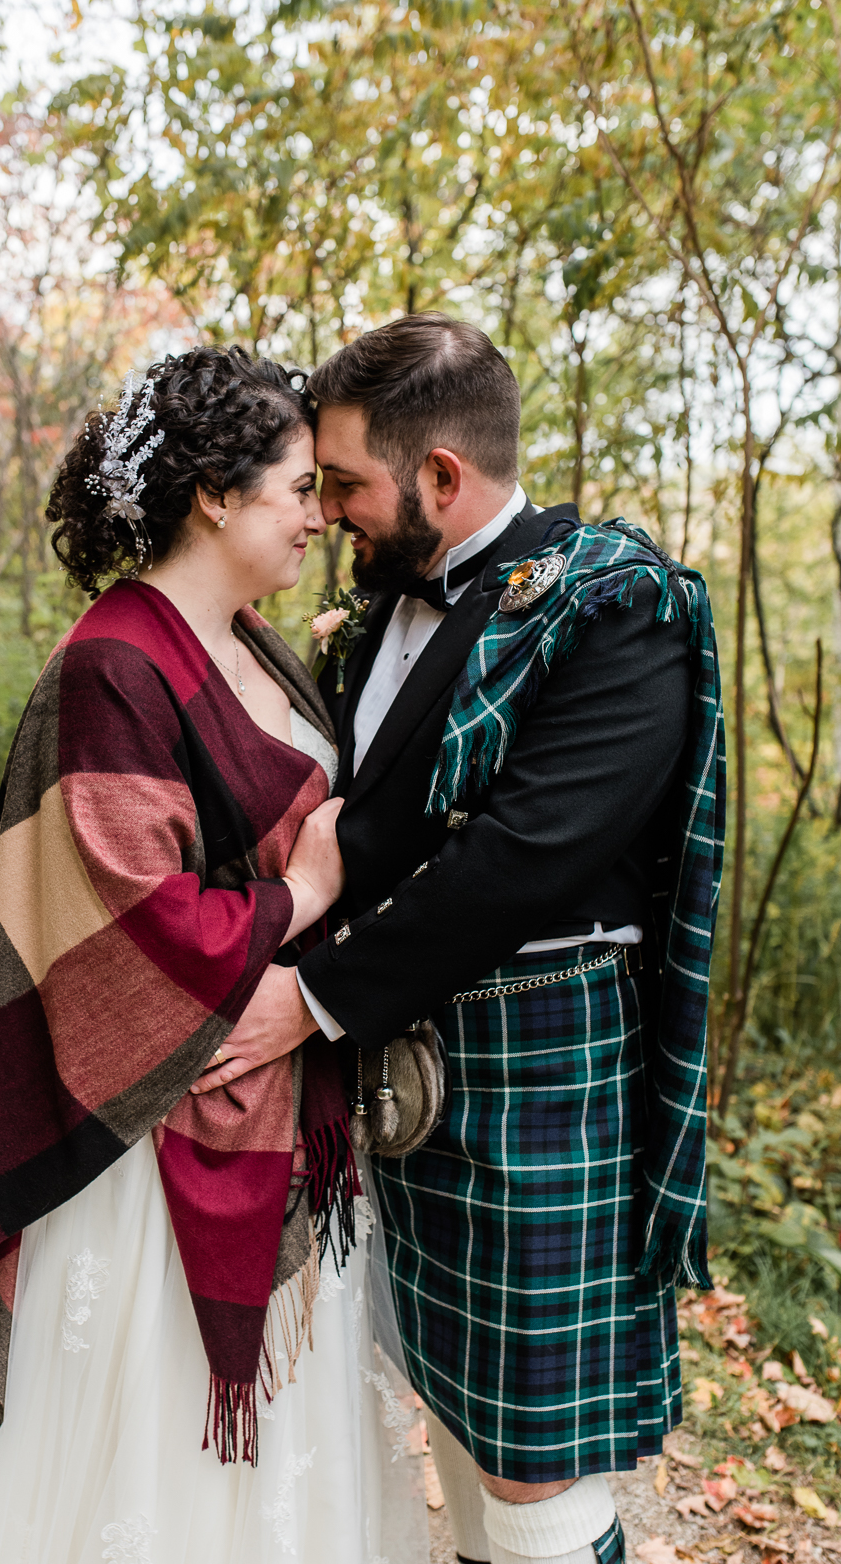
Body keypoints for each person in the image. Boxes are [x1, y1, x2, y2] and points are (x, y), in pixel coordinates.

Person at [0, 346, 428, 1564]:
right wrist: (309, 887)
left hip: (272, 1085)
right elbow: (126, 915)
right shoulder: (113, 661)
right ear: (216, 493)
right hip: (139, 1138)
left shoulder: (261, 645)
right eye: (292, 489)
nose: (317, 516)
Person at [191, 315, 724, 1564]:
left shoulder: (612, 599)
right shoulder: (376, 616)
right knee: (459, 1420)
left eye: (344, 484)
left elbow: (518, 861)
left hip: (543, 1089)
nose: (326, 512)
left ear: (440, 475)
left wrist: (308, 998)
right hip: (403, 1088)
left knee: (536, 1465)